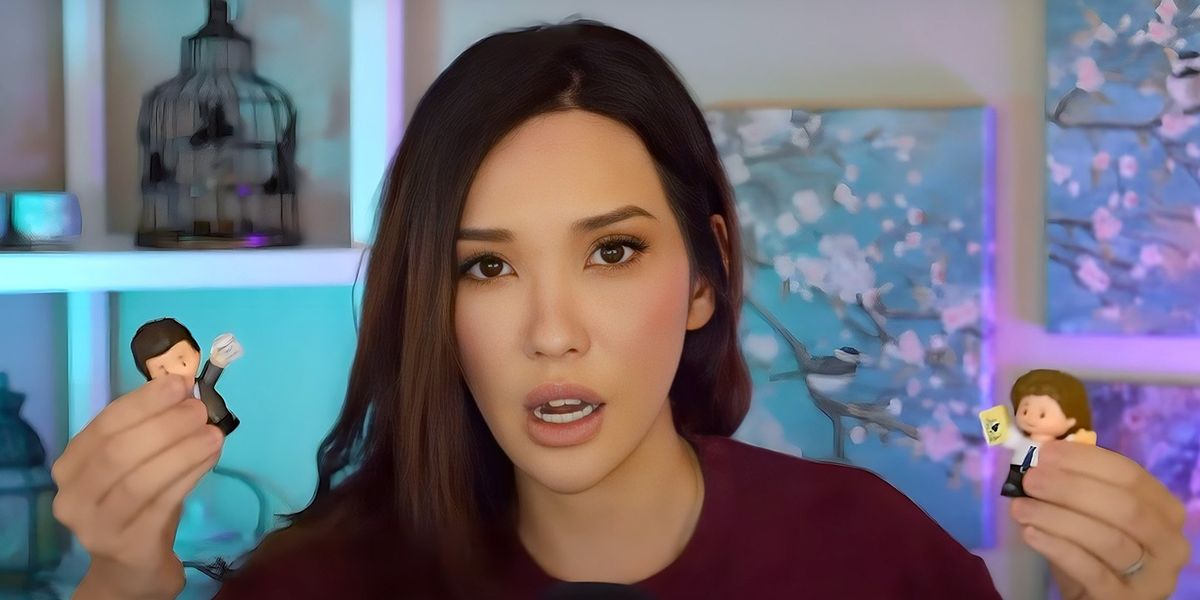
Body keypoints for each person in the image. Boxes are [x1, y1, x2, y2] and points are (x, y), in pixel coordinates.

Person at [50, 18, 1189, 600]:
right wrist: (120, 584)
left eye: (612, 251)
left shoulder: (878, 559)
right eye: (485, 269)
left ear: (703, 277)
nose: (553, 332)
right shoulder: (315, 588)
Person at [999, 369, 1095, 498]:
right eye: (1025, 411)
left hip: (1044, 476)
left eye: (1042, 414)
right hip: (1016, 471)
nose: (1030, 418)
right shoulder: (1022, 441)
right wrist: (998, 427)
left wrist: (1080, 441)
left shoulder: (1059, 447)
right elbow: (1009, 438)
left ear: (1070, 421)